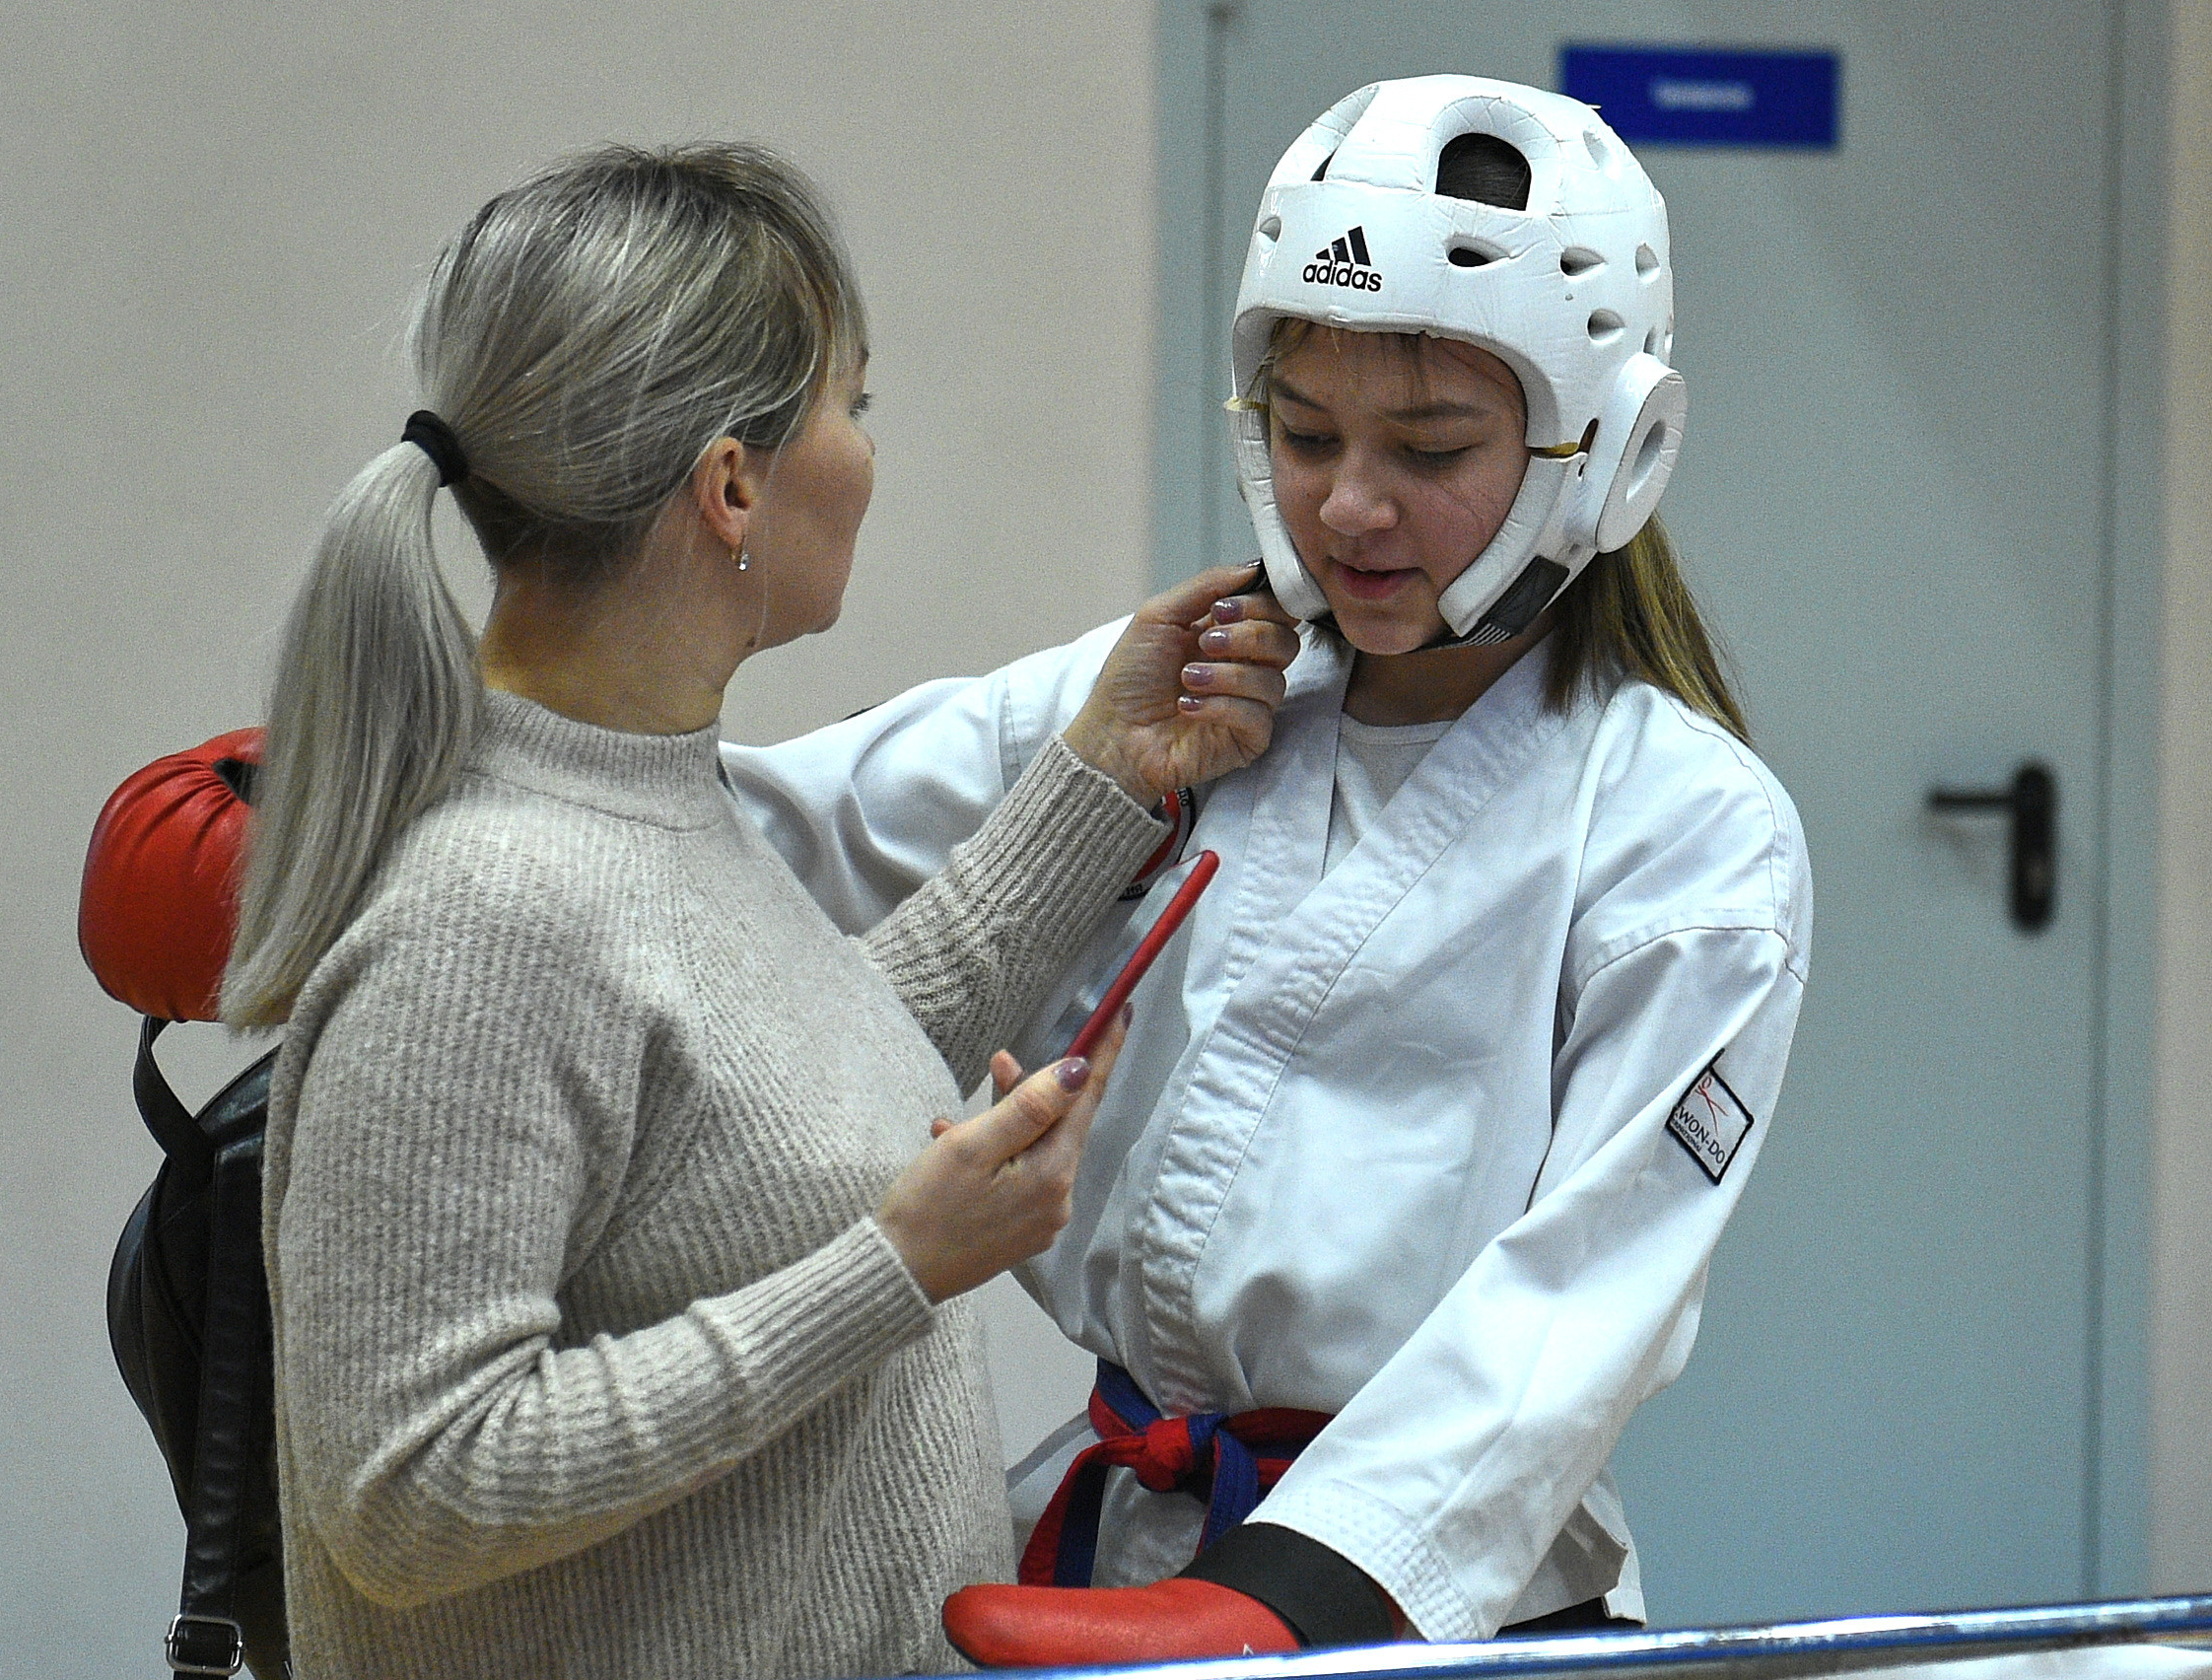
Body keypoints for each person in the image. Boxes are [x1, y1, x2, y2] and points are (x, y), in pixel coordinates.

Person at [725, 75, 1815, 1664]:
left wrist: (1297, 1594)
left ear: (1607, 452)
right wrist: (383, 803)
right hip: (1118, 1562)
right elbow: (790, 835)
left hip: (1434, 1605)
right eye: (1304, 436)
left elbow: (1587, 1294)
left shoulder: (1682, 829)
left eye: (1430, 447)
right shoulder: (1175, 693)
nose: (1351, 504)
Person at [221, 144, 1297, 1680]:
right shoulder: (485, 911)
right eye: (854, 406)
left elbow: (754, 1112)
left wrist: (1107, 777)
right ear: (731, 484)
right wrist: (898, 1268)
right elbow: (408, 1492)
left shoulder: (647, 796)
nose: (868, 451)